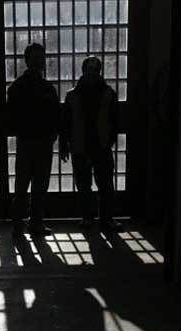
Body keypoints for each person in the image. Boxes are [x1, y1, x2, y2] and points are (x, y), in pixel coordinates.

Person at [60, 56, 122, 231]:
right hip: (86, 145)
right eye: (90, 69)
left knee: (104, 185)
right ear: (84, 71)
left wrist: (110, 141)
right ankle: (93, 218)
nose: (92, 72)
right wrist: (64, 144)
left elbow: (115, 121)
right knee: (86, 185)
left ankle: (102, 218)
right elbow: (65, 123)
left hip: (97, 144)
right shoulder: (107, 93)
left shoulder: (73, 95)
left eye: (95, 69)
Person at [8, 43, 60, 236]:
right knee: (27, 184)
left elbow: (56, 116)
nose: (39, 61)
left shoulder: (19, 87)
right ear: (27, 61)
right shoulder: (43, 88)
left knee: (37, 184)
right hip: (31, 141)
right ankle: (26, 223)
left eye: (41, 57)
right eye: (36, 58)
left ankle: (25, 223)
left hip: (38, 141)